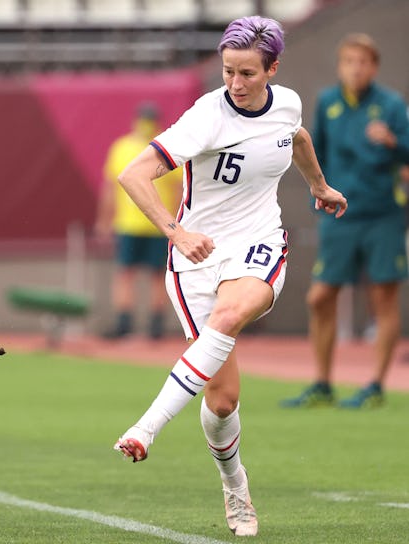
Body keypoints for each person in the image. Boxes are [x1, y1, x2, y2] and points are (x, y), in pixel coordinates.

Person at [111, 16, 347, 537]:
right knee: (222, 402)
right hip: (196, 255)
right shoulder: (206, 117)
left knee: (233, 311)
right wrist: (175, 232)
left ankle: (146, 428)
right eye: (227, 72)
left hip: (260, 243)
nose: (236, 84)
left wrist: (320, 186)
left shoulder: (285, 102)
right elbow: (134, 175)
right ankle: (235, 484)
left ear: (272, 69)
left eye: (246, 73)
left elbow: (297, 137)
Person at [281, 34, 409, 409]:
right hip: (340, 216)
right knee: (320, 297)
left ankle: (375, 386)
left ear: (374, 67)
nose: (356, 67)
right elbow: (310, 149)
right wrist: (317, 192)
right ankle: (322, 383)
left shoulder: (391, 105)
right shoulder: (328, 103)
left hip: (383, 214)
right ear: (340, 65)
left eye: (364, 61)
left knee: (382, 299)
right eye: (350, 60)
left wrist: (392, 142)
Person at [95, 102, 183, 339]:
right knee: (133, 273)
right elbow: (111, 187)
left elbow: (176, 189)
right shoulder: (140, 147)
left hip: (155, 224)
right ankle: (136, 323)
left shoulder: (161, 148)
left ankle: (147, 324)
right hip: (140, 224)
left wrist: (174, 223)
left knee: (145, 274)